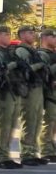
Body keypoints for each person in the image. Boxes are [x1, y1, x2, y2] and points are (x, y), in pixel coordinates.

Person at [14, 26, 48, 166]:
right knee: (29, 120)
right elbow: (23, 70)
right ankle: (27, 153)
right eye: (29, 32)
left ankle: (33, 151)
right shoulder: (21, 50)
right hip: (28, 89)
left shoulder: (33, 50)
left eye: (33, 32)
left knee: (37, 120)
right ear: (22, 35)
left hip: (38, 88)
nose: (33, 35)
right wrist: (38, 66)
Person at [0, 26, 23, 169]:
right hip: (3, 91)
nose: (8, 36)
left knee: (11, 124)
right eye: (6, 34)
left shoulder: (10, 52)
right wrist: (13, 65)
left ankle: (6, 153)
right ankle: (0, 156)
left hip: (14, 90)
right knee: (4, 123)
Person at [37, 28, 56, 161]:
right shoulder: (41, 54)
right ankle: (46, 150)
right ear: (45, 38)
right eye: (53, 37)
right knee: (48, 121)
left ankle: (51, 147)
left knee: (53, 122)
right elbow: (45, 72)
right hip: (48, 91)